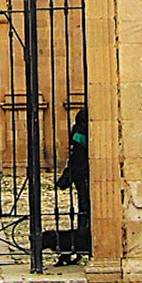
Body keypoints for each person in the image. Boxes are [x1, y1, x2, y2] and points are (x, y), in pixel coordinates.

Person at [41, 107, 90, 264]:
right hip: (83, 173)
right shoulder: (81, 130)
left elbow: (75, 153)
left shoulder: (78, 129)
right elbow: (78, 151)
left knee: (85, 208)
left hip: (80, 173)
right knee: (85, 208)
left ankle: (82, 239)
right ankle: (83, 239)